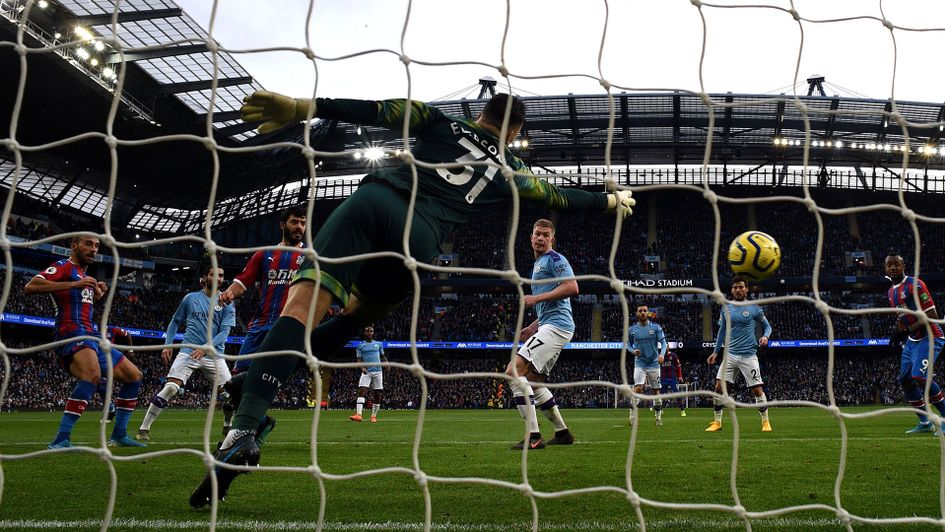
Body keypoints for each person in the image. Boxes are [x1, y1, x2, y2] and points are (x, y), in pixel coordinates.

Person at [189, 90, 635, 507]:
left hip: (377, 202)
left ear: (482, 115)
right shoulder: (511, 171)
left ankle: (244, 426)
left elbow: (381, 110)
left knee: (302, 309)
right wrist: (609, 202)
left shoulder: (442, 122)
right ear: (515, 132)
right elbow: (560, 197)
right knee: (355, 317)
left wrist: (307, 106)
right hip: (417, 242)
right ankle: (248, 386)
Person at [24, 235, 146, 448]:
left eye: (97, 245)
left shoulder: (85, 276)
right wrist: (76, 284)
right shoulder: (64, 266)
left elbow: (79, 300)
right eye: (88, 244)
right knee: (92, 375)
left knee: (134, 376)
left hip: (91, 334)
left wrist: (96, 293)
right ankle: (61, 440)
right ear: (74, 246)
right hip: (71, 332)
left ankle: (119, 435)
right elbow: (31, 286)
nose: (93, 249)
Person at [135, 266, 236, 441]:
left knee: (230, 394)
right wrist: (168, 345)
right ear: (205, 277)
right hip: (189, 351)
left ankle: (227, 425)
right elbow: (175, 321)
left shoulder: (226, 302)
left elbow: (224, 333)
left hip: (214, 354)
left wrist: (205, 348)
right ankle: (144, 429)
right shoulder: (190, 299)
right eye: (214, 275)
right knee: (171, 388)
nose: (219, 278)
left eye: (221, 275)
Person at [506, 219, 577, 450]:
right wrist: (533, 326)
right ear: (531, 237)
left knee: (513, 372)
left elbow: (572, 287)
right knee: (534, 383)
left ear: (552, 239)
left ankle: (533, 436)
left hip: (557, 327)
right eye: (537, 234)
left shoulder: (555, 259)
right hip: (553, 326)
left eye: (545, 235)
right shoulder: (539, 264)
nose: (540, 238)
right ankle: (562, 432)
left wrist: (535, 299)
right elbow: (554, 305)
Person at [222, 206, 307, 376]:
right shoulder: (264, 254)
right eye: (294, 222)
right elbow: (242, 281)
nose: (299, 226)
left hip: (289, 324)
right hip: (261, 323)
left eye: (303, 223)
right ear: (282, 225)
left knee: (271, 374)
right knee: (239, 373)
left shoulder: (310, 256)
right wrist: (230, 292)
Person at [884, 253, 945, 434]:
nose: (893, 267)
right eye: (889, 265)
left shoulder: (915, 285)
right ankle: (925, 423)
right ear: (885, 268)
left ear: (903, 266)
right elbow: (901, 317)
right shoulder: (891, 292)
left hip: (930, 336)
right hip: (912, 340)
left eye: (896, 264)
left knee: (920, 377)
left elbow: (932, 315)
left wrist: (906, 331)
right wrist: (900, 336)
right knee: (905, 380)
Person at [705, 277, 773, 433]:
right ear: (731, 290)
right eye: (735, 287)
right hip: (730, 355)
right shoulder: (725, 309)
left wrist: (765, 336)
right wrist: (715, 352)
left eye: (741, 287)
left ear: (746, 289)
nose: (738, 290)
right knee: (718, 387)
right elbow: (722, 331)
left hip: (749, 355)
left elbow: (767, 327)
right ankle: (717, 422)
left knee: (757, 390)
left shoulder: (754, 308)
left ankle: (765, 422)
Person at [628, 305, 666, 426]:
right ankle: (632, 416)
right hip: (640, 363)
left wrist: (662, 354)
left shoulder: (655, 327)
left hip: (654, 363)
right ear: (637, 313)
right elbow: (627, 344)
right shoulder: (632, 329)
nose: (643, 313)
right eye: (640, 311)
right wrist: (633, 351)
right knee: (638, 388)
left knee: (656, 391)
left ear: (648, 313)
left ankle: (658, 417)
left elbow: (663, 343)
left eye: (645, 311)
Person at [350, 326, 386, 423]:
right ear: (364, 333)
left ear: (373, 333)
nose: (369, 333)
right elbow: (359, 359)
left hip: (378, 372)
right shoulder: (360, 346)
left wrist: (387, 363)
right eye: (367, 331)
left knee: (378, 394)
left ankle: (373, 416)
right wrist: (362, 368)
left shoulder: (379, 344)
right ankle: (359, 415)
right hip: (366, 372)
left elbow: (382, 356)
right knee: (362, 391)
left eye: (371, 331)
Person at [660, 349, 686, 416]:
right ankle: (660, 410)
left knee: (677, 394)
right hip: (663, 378)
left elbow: (678, 366)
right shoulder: (660, 355)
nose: (666, 347)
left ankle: (682, 410)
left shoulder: (673, 355)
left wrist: (680, 376)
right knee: (660, 395)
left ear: (668, 347)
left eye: (667, 346)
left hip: (672, 378)